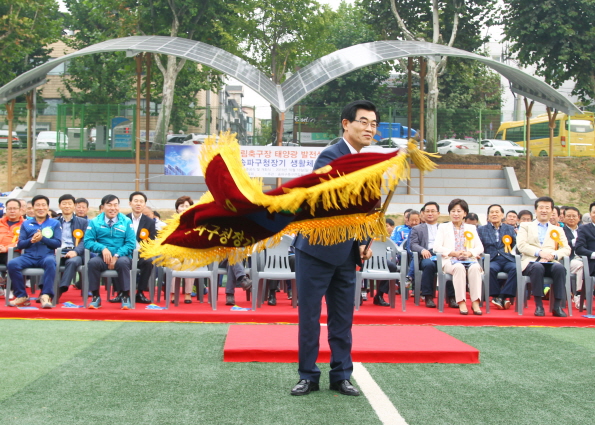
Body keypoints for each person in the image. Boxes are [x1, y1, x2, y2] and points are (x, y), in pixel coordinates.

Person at [291, 100, 374, 397]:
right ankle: (308, 376)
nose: (369, 128)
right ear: (346, 124)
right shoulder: (331, 155)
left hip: (347, 252)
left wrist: (365, 240)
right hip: (315, 251)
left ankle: (341, 375)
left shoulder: (367, 162)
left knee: (342, 319)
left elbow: (365, 212)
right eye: (363, 122)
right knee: (310, 317)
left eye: (373, 124)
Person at [517, 196, 571, 317]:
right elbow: (521, 245)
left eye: (547, 208)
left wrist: (553, 254)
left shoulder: (558, 229)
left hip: (551, 261)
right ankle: (539, 305)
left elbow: (566, 249)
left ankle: (557, 306)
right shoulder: (526, 226)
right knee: (537, 267)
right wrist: (539, 253)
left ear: (552, 211)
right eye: (541, 207)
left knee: (560, 269)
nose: (544, 210)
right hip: (531, 262)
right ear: (535, 210)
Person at [8, 195, 62, 309]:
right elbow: (21, 244)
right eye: (37, 205)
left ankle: (45, 295)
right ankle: (22, 296)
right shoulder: (26, 224)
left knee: (50, 262)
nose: (40, 208)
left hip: (46, 256)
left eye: (43, 205)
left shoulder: (55, 223)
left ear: (48, 208)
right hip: (29, 256)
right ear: (32, 208)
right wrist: (31, 240)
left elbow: (57, 243)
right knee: (12, 264)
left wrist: (42, 238)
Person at [84, 195, 136, 310]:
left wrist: (117, 256)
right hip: (103, 256)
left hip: (122, 256)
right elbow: (87, 241)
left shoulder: (126, 221)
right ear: (102, 207)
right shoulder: (95, 222)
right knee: (92, 263)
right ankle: (96, 297)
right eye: (109, 205)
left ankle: (125, 296)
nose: (113, 208)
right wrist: (102, 248)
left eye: (115, 205)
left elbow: (131, 243)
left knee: (123, 263)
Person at [434, 199, 484, 315]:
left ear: (465, 213)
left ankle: (475, 302)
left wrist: (470, 253)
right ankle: (461, 302)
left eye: (459, 211)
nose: (456, 214)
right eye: (453, 211)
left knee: (476, 268)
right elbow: (436, 247)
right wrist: (453, 253)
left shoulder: (471, 228)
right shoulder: (443, 227)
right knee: (459, 268)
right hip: (450, 261)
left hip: (468, 260)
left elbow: (480, 247)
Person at [409, 202, 457, 309]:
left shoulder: (445, 228)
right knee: (428, 265)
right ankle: (428, 297)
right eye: (427, 211)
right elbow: (413, 244)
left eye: (433, 211)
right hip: (427, 255)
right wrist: (422, 250)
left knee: (451, 266)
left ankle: (452, 298)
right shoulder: (417, 228)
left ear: (438, 213)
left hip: (443, 255)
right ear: (423, 213)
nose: (430, 214)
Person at [477, 204, 517, 310]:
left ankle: (502, 296)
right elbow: (479, 246)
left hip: (507, 258)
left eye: (497, 212)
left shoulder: (510, 229)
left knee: (516, 268)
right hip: (491, 259)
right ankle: (496, 296)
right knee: (490, 269)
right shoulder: (481, 229)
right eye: (492, 212)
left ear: (502, 214)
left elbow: (515, 245)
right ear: (488, 215)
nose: (494, 214)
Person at [124, 191, 155, 304]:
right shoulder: (123, 219)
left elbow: (151, 240)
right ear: (130, 203)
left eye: (141, 201)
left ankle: (140, 292)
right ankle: (123, 293)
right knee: (119, 262)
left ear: (144, 205)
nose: (138, 204)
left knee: (148, 262)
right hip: (126, 253)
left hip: (141, 254)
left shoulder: (150, 222)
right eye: (136, 201)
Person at [55, 194, 88, 297]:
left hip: (75, 253)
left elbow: (86, 241)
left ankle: (61, 288)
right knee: (49, 261)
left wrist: (76, 251)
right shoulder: (54, 222)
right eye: (64, 204)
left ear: (74, 206)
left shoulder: (83, 222)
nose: (67, 206)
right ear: (59, 206)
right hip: (57, 252)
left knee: (72, 262)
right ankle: (45, 291)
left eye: (70, 203)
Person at [0, 199, 25, 297]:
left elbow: (22, 242)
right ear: (6, 210)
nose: (12, 211)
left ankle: (10, 288)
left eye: (15, 208)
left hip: (14, 252)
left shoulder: (26, 225)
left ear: (20, 210)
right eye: (10, 208)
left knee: (14, 261)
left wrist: (6, 248)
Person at [562, 207, 584, 308]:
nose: (571, 218)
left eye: (574, 216)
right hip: (569, 260)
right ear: (564, 218)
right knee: (582, 266)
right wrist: (575, 241)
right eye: (568, 216)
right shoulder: (560, 231)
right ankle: (578, 296)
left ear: (579, 217)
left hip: (585, 258)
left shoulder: (584, 230)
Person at [575, 202, 595, 309]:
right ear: (590, 214)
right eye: (594, 212)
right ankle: (579, 296)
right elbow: (579, 248)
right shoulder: (584, 229)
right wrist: (593, 254)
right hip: (592, 262)